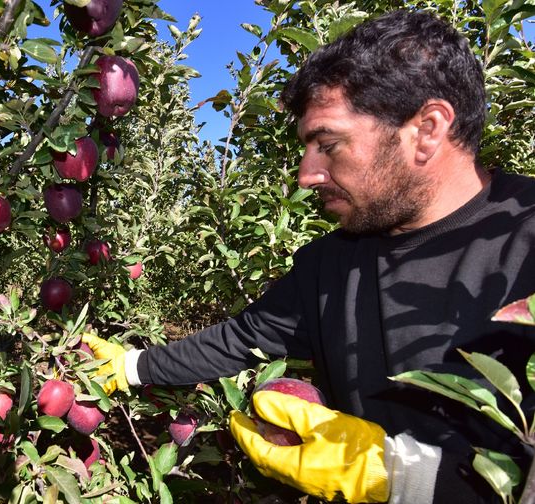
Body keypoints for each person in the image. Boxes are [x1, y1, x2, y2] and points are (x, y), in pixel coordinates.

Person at [82, 9, 535, 503]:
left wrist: (407, 476)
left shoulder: (525, 242)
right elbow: (243, 337)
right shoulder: (332, 263)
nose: (307, 174)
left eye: (329, 144)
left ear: (427, 129)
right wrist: (130, 367)